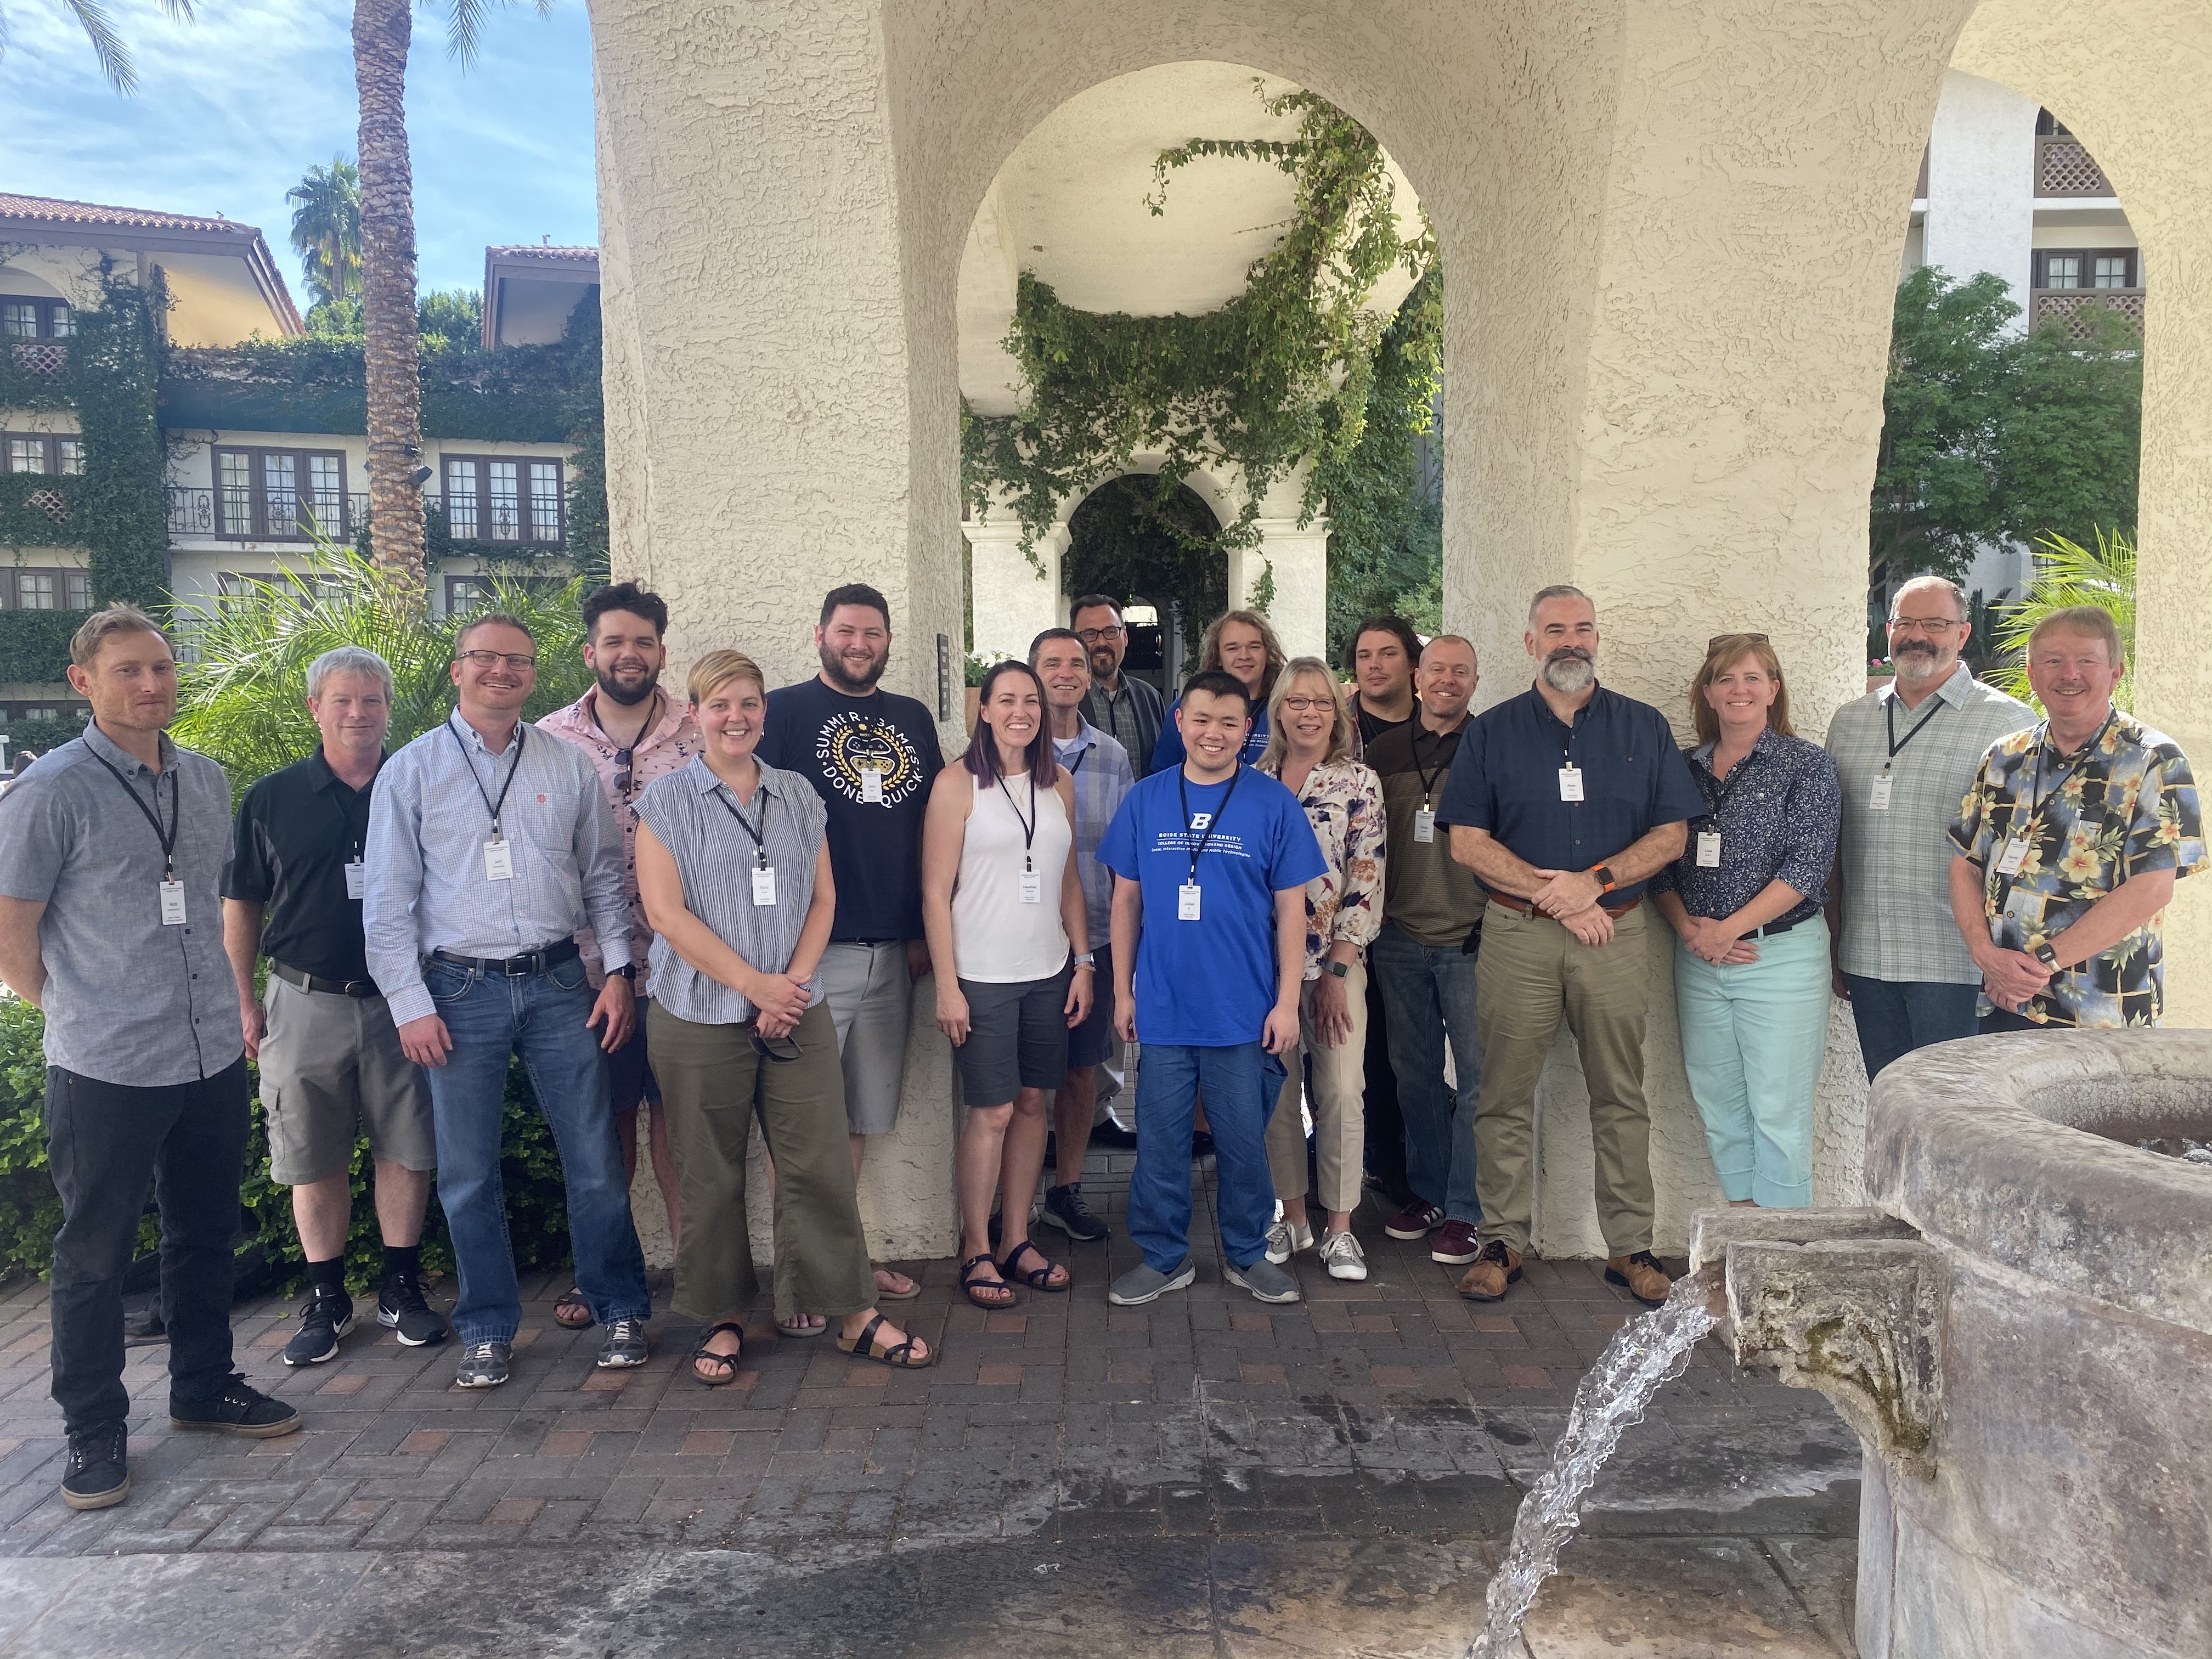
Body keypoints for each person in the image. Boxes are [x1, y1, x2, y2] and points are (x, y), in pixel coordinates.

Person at [0, 605, 300, 1514]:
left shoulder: (206, 781)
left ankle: (203, 1384)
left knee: (204, 1232)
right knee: (92, 1254)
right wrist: (77, 1009)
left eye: (162, 667)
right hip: (105, 1062)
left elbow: (212, 904)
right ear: (83, 680)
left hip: (207, 1047)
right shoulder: (50, 789)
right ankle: (95, 1429)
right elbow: (12, 932)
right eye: (129, 669)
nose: (152, 684)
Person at [364, 612, 653, 1389]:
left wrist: (619, 970)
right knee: (466, 1172)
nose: (502, 671)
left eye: (517, 661)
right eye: (485, 659)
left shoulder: (566, 765)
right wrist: (408, 1003)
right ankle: (488, 1326)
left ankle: (618, 1304)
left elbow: (600, 876)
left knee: (594, 1158)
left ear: (535, 673)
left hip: (562, 982)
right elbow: (387, 903)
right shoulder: (413, 771)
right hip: (458, 990)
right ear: (457, 670)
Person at [633, 651, 931, 1381]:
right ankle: (724, 1318)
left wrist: (790, 986)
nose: (736, 717)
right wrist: (753, 988)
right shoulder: (666, 802)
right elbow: (667, 917)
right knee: (710, 1174)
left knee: (819, 1165)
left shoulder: (799, 794)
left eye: (749, 704)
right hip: (699, 1015)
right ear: (694, 714)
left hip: (799, 1007)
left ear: (765, 712)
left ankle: (852, 1314)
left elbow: (823, 899)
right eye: (720, 704)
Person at [1437, 585, 1705, 1308]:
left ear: (1597, 639)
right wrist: (1553, 895)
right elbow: (1467, 841)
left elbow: (1672, 835)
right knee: (1503, 1094)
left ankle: (1631, 1247)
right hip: (1519, 935)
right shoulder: (1492, 733)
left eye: (1583, 628)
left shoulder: (1642, 728)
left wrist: (1594, 884)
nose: (1571, 641)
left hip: (1613, 933)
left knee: (1620, 1093)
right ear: (1530, 643)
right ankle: (1501, 1242)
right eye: (1555, 629)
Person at [222, 646, 448, 1368]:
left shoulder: (416, 784)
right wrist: (244, 1003)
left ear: (389, 709)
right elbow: (242, 905)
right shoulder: (272, 798)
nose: (358, 713)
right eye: (343, 700)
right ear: (315, 707)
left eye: (372, 700)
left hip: (403, 1000)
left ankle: (400, 1288)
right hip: (304, 999)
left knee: (408, 1149)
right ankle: (327, 1300)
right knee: (311, 1155)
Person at [1101, 669, 1324, 1307]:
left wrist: (1285, 1003)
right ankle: (1164, 1257)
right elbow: (1126, 904)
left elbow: (1291, 913)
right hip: (1165, 1008)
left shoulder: (1271, 802)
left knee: (1242, 1145)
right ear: (1180, 722)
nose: (1214, 733)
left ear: (1247, 730)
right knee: (1162, 1144)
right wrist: (1124, 991)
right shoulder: (1146, 799)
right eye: (1201, 720)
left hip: (1244, 1011)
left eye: (1229, 722)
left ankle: (1248, 1255)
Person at [758, 583, 943, 1312]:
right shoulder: (782, 712)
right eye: (846, 631)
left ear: (888, 641)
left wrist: (926, 933)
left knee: (860, 1119)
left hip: (894, 953)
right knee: (803, 1126)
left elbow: (930, 827)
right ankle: (800, 1280)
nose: (859, 644)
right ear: (820, 635)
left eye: (872, 633)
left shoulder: (912, 718)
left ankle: (846, 1264)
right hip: (814, 953)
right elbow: (758, 821)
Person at [537, 582, 701, 1333]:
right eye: (614, 642)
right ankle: (600, 1273)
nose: (628, 654)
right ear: (590, 651)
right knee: (605, 1128)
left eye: (642, 642)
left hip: (681, 963)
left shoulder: (699, 733)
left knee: (676, 1124)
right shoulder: (550, 740)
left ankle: (693, 1268)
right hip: (587, 968)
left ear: (662, 651)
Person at [1650, 635, 1841, 1210]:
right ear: (1707, 692)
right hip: (1699, 958)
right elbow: (1660, 865)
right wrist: (1691, 929)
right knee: (1719, 1105)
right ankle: (1739, 1234)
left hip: (1777, 958)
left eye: (1753, 679)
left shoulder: (1805, 765)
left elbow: (1807, 866)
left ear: (1773, 690)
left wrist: (1727, 928)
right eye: (1726, 680)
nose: (1740, 691)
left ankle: (1779, 1257)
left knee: (1778, 1111)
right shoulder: (1681, 768)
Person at [1948, 606, 2204, 1031]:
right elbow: (1965, 863)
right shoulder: (2003, 758)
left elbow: (2151, 888)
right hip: (2006, 1000)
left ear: (2116, 672)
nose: (2069, 674)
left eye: (2086, 660)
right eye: (2053, 661)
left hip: (2103, 1010)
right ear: (2032, 674)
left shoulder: (2153, 760)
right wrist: (1986, 956)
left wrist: (2040, 965)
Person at [924, 661, 1090, 1307]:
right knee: (990, 1111)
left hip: (1047, 971)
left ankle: (1018, 1239)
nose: (1021, 710)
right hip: (982, 977)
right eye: (1007, 700)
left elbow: (1067, 880)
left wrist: (1084, 962)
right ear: (985, 711)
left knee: (1030, 1106)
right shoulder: (955, 785)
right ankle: (976, 1246)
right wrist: (947, 986)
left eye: (1032, 701)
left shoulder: (1061, 785)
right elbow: (935, 894)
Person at [1825, 575, 2032, 1079]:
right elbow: (1834, 843)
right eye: (1906, 623)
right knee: (1892, 1107)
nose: (1919, 635)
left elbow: (2025, 852)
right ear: (1889, 629)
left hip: (1960, 964)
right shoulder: (1849, 721)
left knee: (1960, 1121)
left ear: (1962, 634)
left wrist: (2006, 960)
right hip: (1869, 956)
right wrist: (1835, 942)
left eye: (1936, 624)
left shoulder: (2009, 723)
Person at [1255, 659, 1384, 1282]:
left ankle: (1340, 1229)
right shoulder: (1252, 781)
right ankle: (1293, 1215)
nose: (1309, 713)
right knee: (1277, 1093)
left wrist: (1336, 971)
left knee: (1338, 1091)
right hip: (1265, 970)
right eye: (1297, 702)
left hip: (1335, 962)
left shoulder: (1358, 781)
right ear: (1278, 709)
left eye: (1323, 704)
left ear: (1338, 714)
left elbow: (1366, 878)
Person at [1363, 636, 1488, 1265]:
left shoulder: (1493, 748)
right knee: (1413, 1076)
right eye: (1437, 669)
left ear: (1474, 681)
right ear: (1418, 678)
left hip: (1472, 941)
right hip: (1399, 939)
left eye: (1459, 672)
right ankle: (1430, 1193)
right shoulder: (1381, 751)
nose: (1447, 681)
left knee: (1475, 1081)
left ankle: (1467, 1210)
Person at [1031, 627, 1135, 1239]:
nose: (1066, 672)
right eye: (1052, 663)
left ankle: (1065, 1191)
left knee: (1080, 1073)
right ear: (1032, 672)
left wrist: (1123, 948)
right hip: (1018, 942)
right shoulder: (1000, 749)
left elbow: (1124, 861)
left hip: (1092, 939)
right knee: (1020, 1082)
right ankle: (1008, 1199)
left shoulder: (1112, 756)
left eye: (1076, 662)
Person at [1149, 610, 1284, 772]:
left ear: (1268, 653)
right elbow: (1163, 774)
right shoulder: (1189, 708)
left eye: (1254, 647)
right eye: (1232, 648)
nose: (1244, 656)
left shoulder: (1284, 709)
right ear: (1218, 657)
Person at [1074, 594, 1167, 781]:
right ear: (1075, 642)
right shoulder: (1066, 700)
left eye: (1110, 631)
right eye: (1090, 634)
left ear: (1124, 636)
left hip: (1141, 809)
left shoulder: (1150, 697)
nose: (1101, 643)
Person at [1348, 616, 1422, 751]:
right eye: (1365, 656)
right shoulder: (1331, 723)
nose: (1374, 665)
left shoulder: (1438, 725)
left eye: (1388, 654)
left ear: (1412, 663)